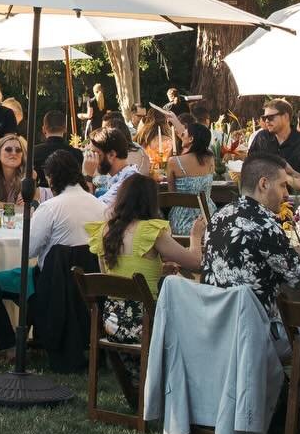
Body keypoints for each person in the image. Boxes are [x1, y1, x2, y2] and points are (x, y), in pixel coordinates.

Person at [202, 155, 300, 357]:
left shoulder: (220, 216)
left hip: (220, 328)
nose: (286, 194)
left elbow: (288, 253)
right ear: (264, 184)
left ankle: (296, 385)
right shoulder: (264, 224)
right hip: (256, 334)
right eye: (282, 186)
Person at [86, 171, 204, 343]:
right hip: (145, 322)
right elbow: (196, 263)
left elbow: (109, 276)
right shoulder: (150, 231)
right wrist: (195, 236)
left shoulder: (105, 231)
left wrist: (158, 269)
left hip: (112, 324)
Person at [28, 148, 102, 263]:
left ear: (51, 178)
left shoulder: (49, 208)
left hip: (54, 278)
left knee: (1, 277)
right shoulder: (101, 206)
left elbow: (28, 250)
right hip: (91, 278)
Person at [244, 100, 300, 193]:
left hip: (294, 202)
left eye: (270, 117)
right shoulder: (261, 138)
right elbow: (249, 167)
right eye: (264, 117)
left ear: (286, 116)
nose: (266, 121)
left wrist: (285, 174)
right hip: (262, 198)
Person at [163, 122, 216, 238]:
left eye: (185, 131)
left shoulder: (173, 162)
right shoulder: (211, 158)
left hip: (182, 221)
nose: (182, 134)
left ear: (191, 138)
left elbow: (172, 194)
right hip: (208, 219)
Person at [85, 126, 136, 206]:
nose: (92, 158)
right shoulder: (127, 175)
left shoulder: (125, 183)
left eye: (96, 153)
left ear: (111, 155)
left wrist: (88, 176)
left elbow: (91, 210)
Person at [30, 110, 71, 187]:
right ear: (65, 128)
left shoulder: (34, 152)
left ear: (44, 129)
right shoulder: (76, 153)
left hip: (40, 195)